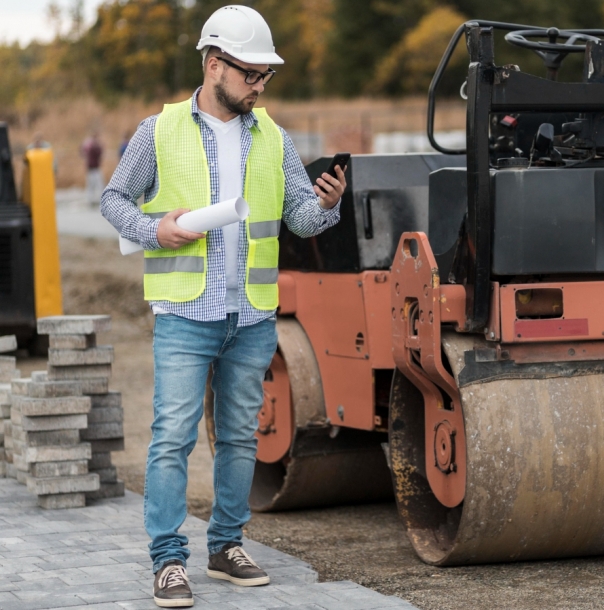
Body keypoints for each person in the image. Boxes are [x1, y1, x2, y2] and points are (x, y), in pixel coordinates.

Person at [100, 5, 346, 607]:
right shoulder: (158, 131)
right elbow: (114, 200)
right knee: (171, 438)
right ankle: (167, 560)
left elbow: (300, 220)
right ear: (215, 66)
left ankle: (226, 545)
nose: (261, 87)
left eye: (267, 77)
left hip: (251, 316)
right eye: (251, 74)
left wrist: (329, 203)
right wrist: (158, 230)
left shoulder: (275, 139)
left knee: (239, 437)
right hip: (185, 313)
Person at [81, 131, 104, 205]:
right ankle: (92, 199)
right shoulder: (92, 146)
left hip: (92, 168)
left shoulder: (87, 145)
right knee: (96, 184)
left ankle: (92, 199)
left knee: (94, 185)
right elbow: (99, 152)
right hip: (93, 168)